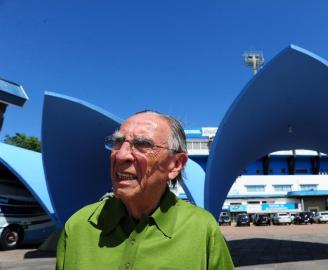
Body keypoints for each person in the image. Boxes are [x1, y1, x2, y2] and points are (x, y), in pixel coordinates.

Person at [56, 110, 235, 270]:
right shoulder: (78, 227)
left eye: (142, 144)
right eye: (117, 142)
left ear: (175, 164)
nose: (120, 155)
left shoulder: (202, 229)